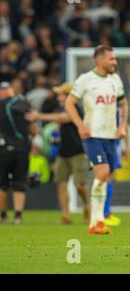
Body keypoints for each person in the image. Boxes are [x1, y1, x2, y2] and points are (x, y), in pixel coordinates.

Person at [65, 45, 128, 235]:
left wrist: (122, 125)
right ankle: (95, 221)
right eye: (111, 59)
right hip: (92, 135)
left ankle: (99, 220)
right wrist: (80, 125)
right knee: (102, 173)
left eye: (115, 59)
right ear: (99, 60)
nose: (114, 62)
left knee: (105, 176)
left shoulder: (115, 79)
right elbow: (69, 103)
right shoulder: (85, 80)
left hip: (111, 136)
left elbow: (124, 103)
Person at [27, 83, 90, 225]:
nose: (59, 97)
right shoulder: (64, 108)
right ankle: (66, 215)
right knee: (61, 183)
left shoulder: (75, 108)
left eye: (61, 94)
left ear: (68, 95)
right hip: (63, 152)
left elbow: (63, 118)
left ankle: (86, 205)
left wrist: (39, 115)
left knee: (80, 184)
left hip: (77, 151)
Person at [0, 82, 37, 224]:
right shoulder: (23, 104)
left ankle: (3, 215)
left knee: (2, 184)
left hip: (3, 148)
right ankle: (18, 216)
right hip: (22, 148)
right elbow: (33, 129)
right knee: (19, 182)